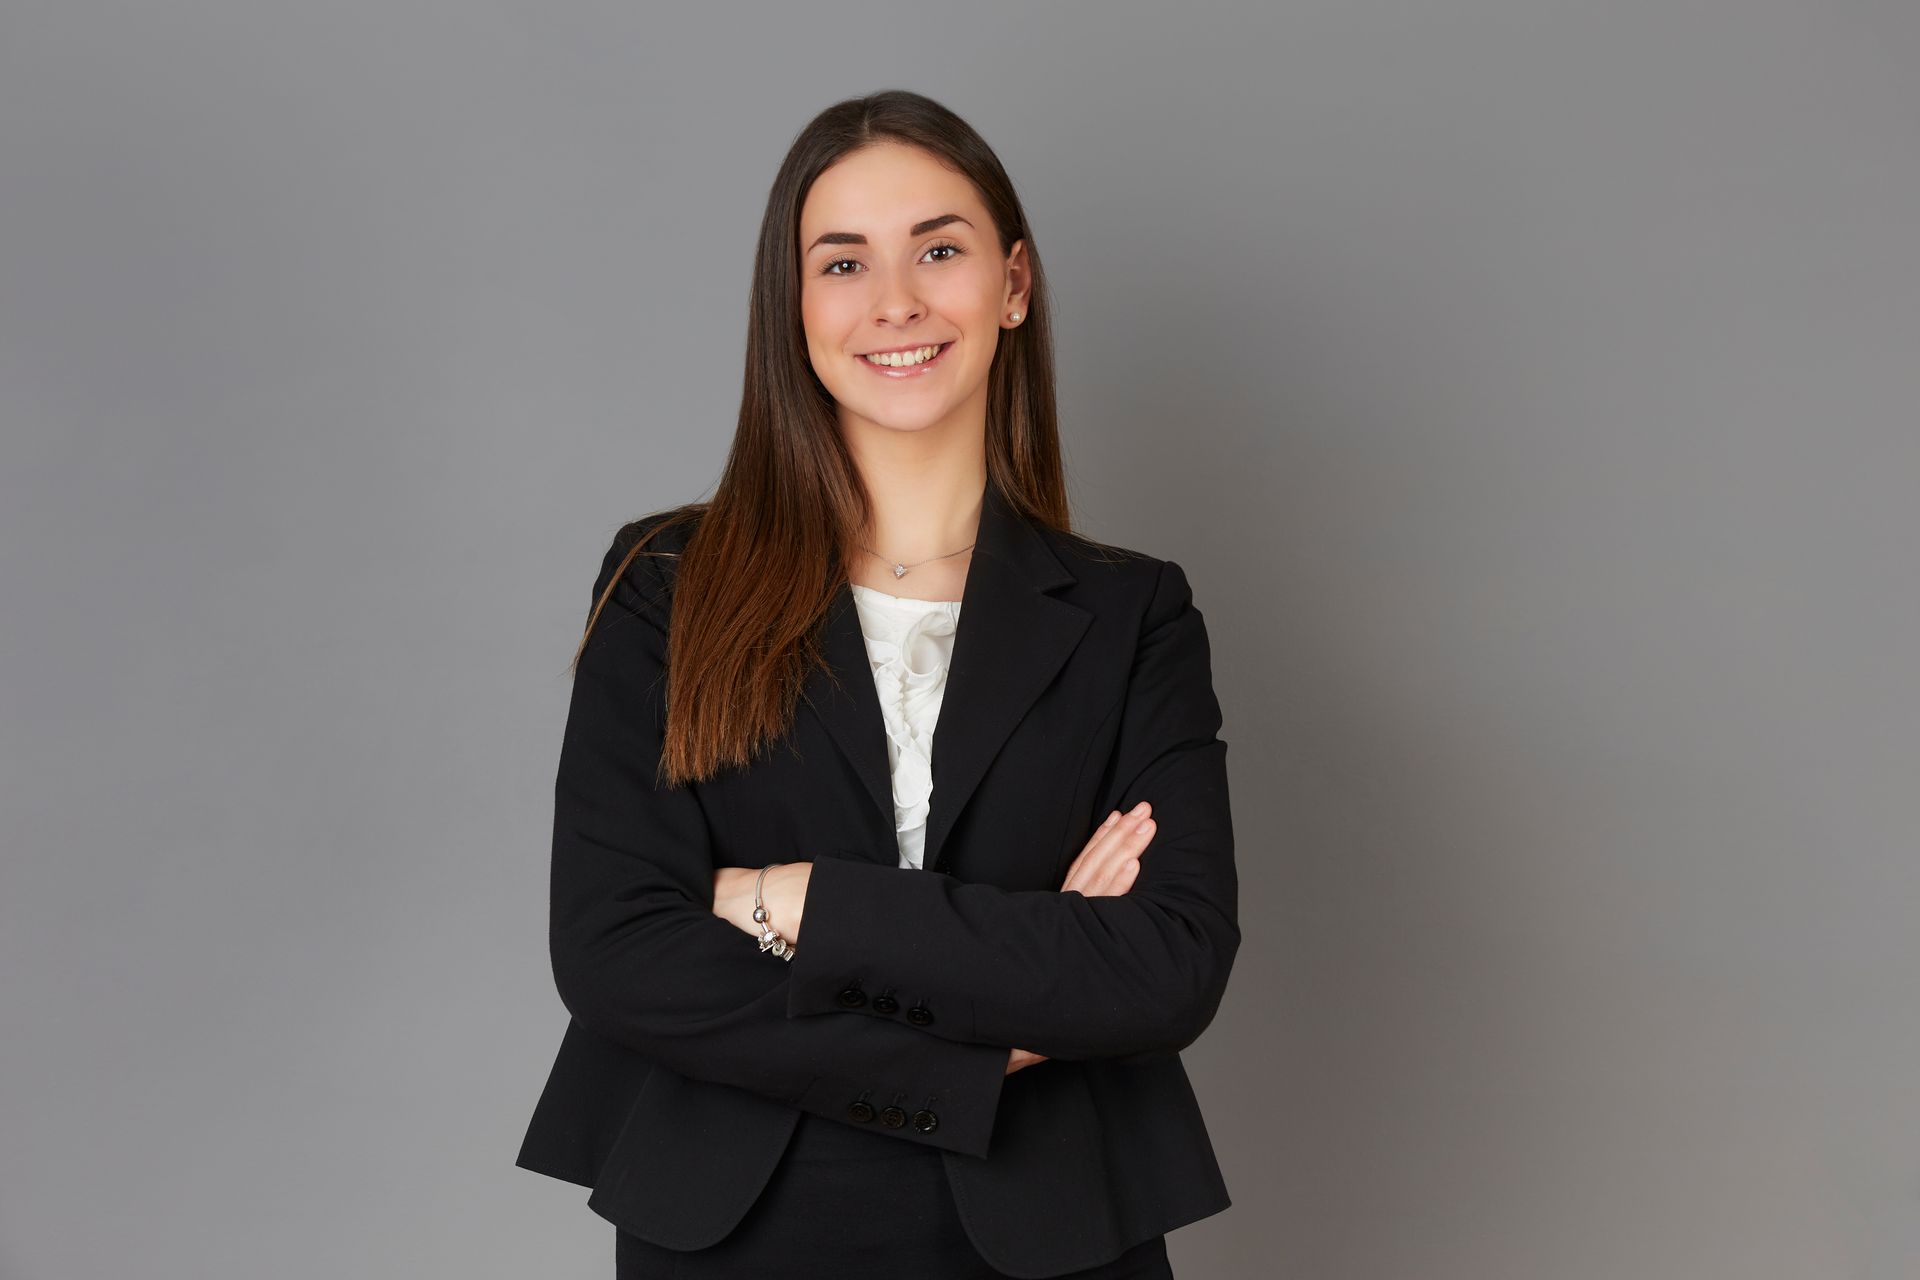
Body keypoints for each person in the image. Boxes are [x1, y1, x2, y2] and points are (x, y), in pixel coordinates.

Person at [515, 88, 1240, 1279]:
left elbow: (1165, 964)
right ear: (794, 307)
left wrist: (793, 897)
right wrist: (988, 1027)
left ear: (1012, 284)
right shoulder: (667, 584)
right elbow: (614, 949)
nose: (895, 301)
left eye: (938, 250)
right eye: (843, 262)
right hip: (734, 1223)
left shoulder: (1132, 613)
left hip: (1051, 1227)